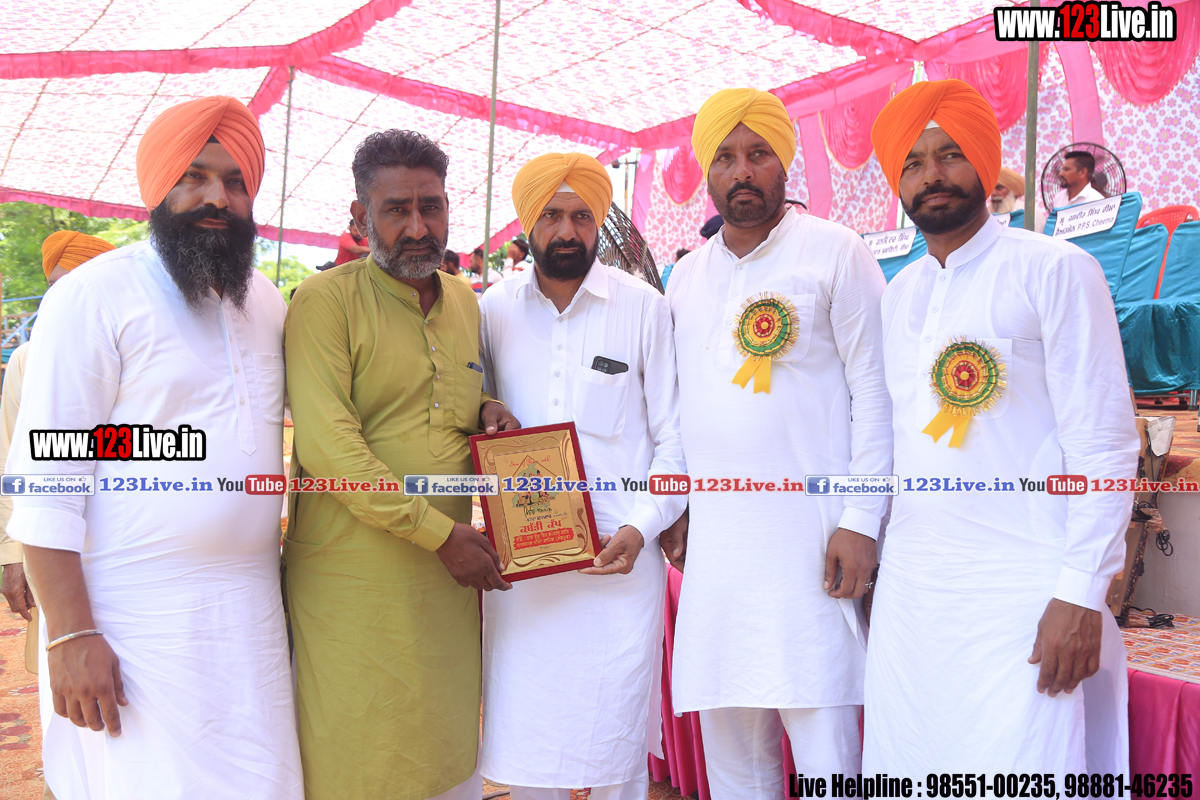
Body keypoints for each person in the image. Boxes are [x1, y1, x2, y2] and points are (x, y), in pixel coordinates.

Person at [6, 96, 303, 798]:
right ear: (158, 186)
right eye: (194, 176)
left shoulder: (266, 300)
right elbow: (50, 475)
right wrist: (69, 635)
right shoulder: (95, 295)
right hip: (131, 623)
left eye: (234, 181)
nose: (216, 197)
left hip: (252, 620)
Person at [864, 78, 1138, 773]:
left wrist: (1080, 591)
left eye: (950, 154)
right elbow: (896, 444)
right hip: (914, 593)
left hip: (1024, 588)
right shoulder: (898, 296)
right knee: (910, 765)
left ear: (986, 162)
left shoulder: (1055, 269)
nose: (932, 175)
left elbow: (1104, 444)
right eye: (913, 162)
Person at [665, 88, 892, 796]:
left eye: (758, 153)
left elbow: (876, 395)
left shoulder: (836, 252)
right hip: (718, 555)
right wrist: (674, 503)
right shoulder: (685, 278)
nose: (742, 171)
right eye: (725, 157)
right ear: (707, 172)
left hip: (811, 547)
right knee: (734, 759)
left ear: (784, 161)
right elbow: (677, 410)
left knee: (827, 751)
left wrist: (862, 519)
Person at [283, 129, 520, 800]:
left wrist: (488, 410)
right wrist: (440, 535)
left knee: (445, 751)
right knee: (357, 757)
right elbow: (331, 450)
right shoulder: (324, 301)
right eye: (396, 209)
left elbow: (451, 399)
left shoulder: (463, 300)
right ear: (360, 219)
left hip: (444, 580)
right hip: (355, 582)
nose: (418, 228)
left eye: (431, 206)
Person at [478, 152, 687, 800]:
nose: (567, 231)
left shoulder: (644, 308)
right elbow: (472, 414)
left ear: (597, 223)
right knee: (527, 761)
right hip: (524, 581)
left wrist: (643, 526)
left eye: (580, 217)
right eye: (551, 216)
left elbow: (675, 444)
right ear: (528, 224)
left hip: (617, 570)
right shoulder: (493, 310)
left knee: (614, 760)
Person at [0, 232, 116, 684]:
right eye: (56, 288)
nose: (65, 300)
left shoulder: (141, 350)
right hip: (53, 539)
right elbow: (11, 462)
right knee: (67, 667)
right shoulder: (27, 358)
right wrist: (12, 554)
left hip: (127, 536)